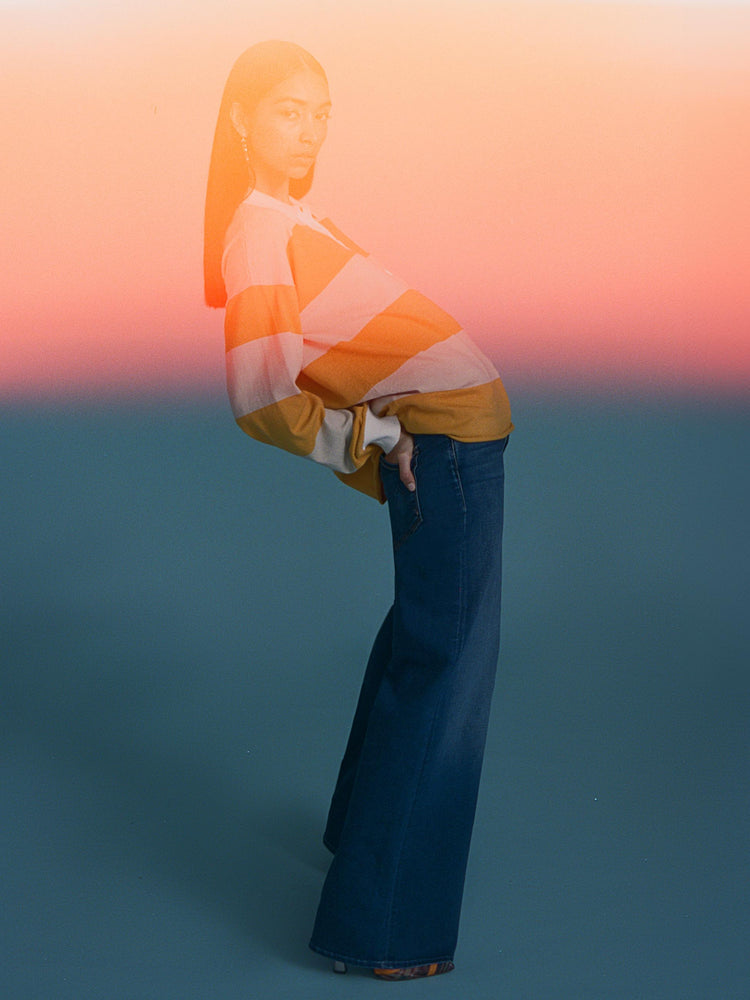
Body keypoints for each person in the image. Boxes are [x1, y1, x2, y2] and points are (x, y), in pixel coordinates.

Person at [204, 40, 513, 981]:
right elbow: (262, 393)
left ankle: (355, 842)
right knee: (444, 672)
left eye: (321, 111)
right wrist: (372, 441)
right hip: (449, 457)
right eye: (289, 110)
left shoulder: (293, 219)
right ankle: (384, 931)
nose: (309, 128)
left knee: (421, 647)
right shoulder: (259, 231)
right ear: (240, 122)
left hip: (458, 451)